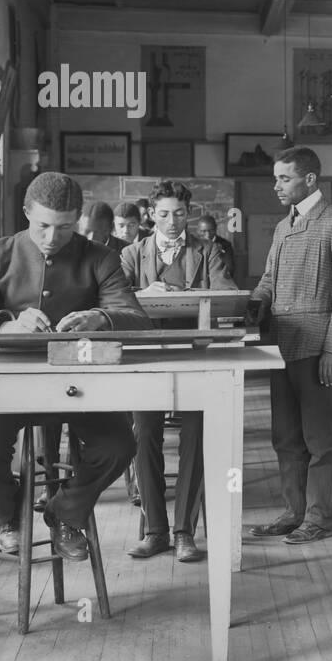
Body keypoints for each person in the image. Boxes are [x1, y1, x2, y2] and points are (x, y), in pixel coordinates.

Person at [0, 172, 150, 560]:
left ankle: (64, 511)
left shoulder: (101, 258)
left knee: (120, 445)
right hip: (7, 386)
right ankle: (8, 515)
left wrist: (100, 318)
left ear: (79, 221)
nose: (53, 237)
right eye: (43, 226)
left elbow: (136, 318)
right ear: (26, 213)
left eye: (65, 227)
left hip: (79, 384)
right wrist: (6, 324)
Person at [247, 147, 332, 543]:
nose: (276, 186)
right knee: (285, 437)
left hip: (317, 348)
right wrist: (254, 303)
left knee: (321, 439)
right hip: (281, 345)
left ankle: (320, 518)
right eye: (276, 178)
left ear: (310, 179)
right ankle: (294, 512)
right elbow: (268, 279)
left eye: (285, 178)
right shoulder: (284, 227)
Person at [121, 181, 235, 562]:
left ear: (190, 214)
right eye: (164, 214)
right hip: (146, 357)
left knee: (197, 434)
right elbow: (113, 300)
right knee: (144, 433)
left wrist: (192, 298)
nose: (172, 222)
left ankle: (185, 531)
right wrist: (144, 296)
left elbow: (225, 294)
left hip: (194, 355)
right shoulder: (132, 254)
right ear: (151, 214)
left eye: (180, 214)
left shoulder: (207, 251)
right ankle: (156, 530)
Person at [193, 213, 237, 280]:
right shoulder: (192, 245)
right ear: (197, 230)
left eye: (211, 230)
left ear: (216, 228)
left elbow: (230, 269)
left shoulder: (226, 245)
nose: (207, 235)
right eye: (203, 231)